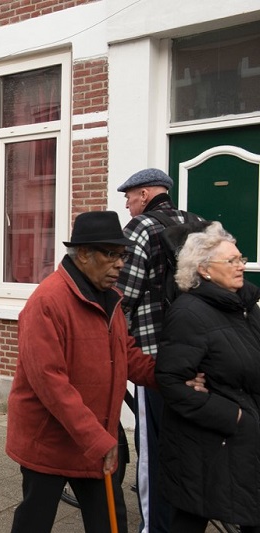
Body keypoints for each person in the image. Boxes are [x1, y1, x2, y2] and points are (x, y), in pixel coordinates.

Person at [7, 210, 158, 533]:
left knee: (110, 522)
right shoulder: (47, 302)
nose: (121, 264)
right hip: (50, 442)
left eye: (123, 255)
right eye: (111, 254)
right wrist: (98, 439)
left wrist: (170, 377)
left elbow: (126, 354)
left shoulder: (110, 300)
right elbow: (51, 383)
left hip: (95, 440)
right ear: (84, 254)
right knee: (35, 521)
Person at [155, 222, 260, 533]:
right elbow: (172, 382)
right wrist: (235, 417)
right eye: (232, 261)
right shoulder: (189, 314)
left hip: (242, 442)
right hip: (211, 445)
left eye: (241, 258)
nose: (242, 266)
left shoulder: (245, 308)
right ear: (204, 270)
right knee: (193, 515)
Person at [116, 167, 202, 533]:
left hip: (156, 356)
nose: (127, 202)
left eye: (131, 196)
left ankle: (155, 527)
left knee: (153, 450)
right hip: (199, 355)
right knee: (189, 445)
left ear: (148, 194)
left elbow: (123, 293)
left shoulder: (139, 229)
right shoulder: (199, 223)